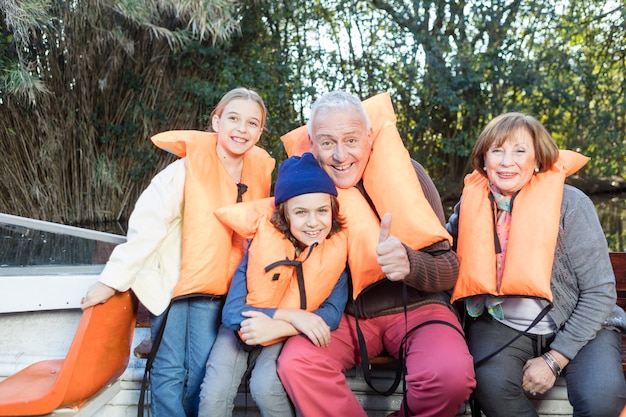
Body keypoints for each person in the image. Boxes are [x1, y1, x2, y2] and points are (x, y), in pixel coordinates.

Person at [276, 91, 476, 417]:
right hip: (344, 317)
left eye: (351, 140)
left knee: (450, 376)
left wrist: (410, 263)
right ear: (312, 144)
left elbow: (450, 267)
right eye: (327, 143)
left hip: (419, 308)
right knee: (297, 363)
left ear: (369, 137)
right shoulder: (301, 191)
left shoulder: (408, 175)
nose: (341, 156)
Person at [80, 87, 276, 417]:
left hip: (222, 297)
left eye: (252, 123)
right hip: (173, 289)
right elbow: (147, 228)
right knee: (170, 370)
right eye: (233, 118)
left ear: (259, 132)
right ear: (216, 121)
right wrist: (111, 282)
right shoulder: (183, 171)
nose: (241, 129)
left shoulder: (259, 175)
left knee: (201, 373)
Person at [446, 112, 626, 416]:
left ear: (538, 160)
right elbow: (441, 254)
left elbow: (600, 292)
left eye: (519, 150)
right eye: (497, 150)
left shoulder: (572, 204)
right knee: (489, 386)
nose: (506, 162)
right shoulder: (470, 205)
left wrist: (555, 358)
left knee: (602, 398)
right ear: (483, 159)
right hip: (502, 322)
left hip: (582, 323)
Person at [197, 152, 349, 417]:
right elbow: (232, 314)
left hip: (282, 336)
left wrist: (279, 327)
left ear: (333, 211)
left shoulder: (336, 255)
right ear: (285, 215)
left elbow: (332, 314)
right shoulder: (262, 246)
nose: (313, 223)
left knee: (267, 387)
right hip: (240, 330)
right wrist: (291, 316)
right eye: (301, 212)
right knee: (214, 393)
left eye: (322, 211)